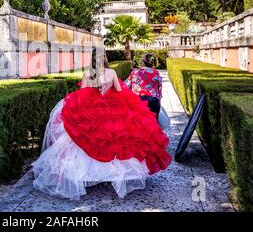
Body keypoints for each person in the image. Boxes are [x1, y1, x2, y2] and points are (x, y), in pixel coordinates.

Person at [32, 49, 171, 200]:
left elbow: (82, 95)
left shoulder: (88, 74)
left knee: (86, 140)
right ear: (104, 58)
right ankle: (112, 173)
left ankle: (88, 174)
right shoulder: (111, 72)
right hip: (112, 107)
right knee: (116, 140)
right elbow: (119, 90)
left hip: (91, 111)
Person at [125, 53, 162, 118]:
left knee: (139, 125)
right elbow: (159, 89)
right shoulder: (156, 73)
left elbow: (127, 88)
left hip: (137, 101)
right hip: (153, 101)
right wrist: (158, 102)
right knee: (153, 125)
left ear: (142, 62)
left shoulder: (134, 72)